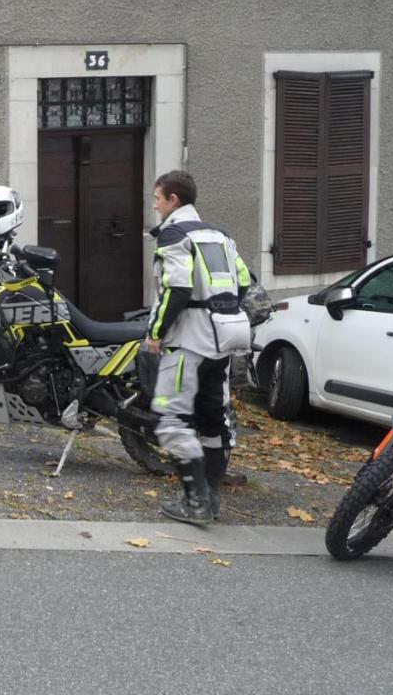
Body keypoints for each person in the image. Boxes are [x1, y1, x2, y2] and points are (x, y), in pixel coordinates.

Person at [146, 170, 252, 525]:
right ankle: (211, 498)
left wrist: (157, 331)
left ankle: (195, 503)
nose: (155, 205)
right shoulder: (220, 236)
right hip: (220, 340)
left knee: (170, 418)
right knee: (213, 419)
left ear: (174, 200)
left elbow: (176, 288)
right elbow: (243, 282)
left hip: (186, 341)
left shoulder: (173, 235)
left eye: (158, 199)